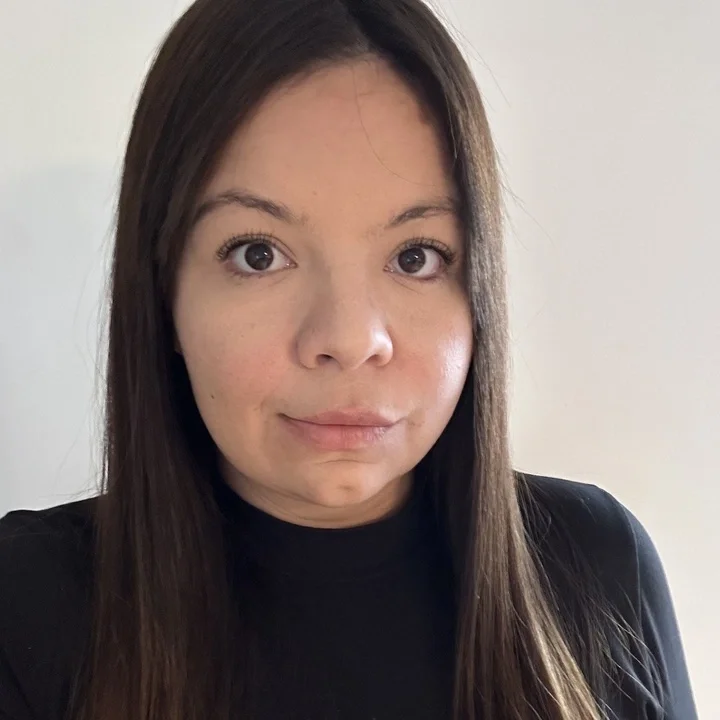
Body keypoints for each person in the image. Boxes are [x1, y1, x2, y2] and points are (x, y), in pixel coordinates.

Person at [0, 0, 698, 719]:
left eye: (416, 256)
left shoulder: (595, 565)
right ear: (163, 291)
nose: (350, 337)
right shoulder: (27, 606)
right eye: (258, 254)